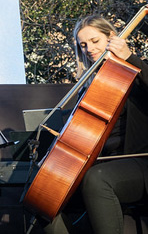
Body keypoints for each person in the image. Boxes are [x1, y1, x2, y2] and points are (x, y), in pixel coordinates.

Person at [43, 14, 148, 234]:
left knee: (97, 179)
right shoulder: (90, 83)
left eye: (95, 41)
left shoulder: (134, 72)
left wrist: (130, 58)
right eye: (83, 45)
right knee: (47, 198)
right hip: (103, 163)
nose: (89, 49)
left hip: (138, 162)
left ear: (111, 37)